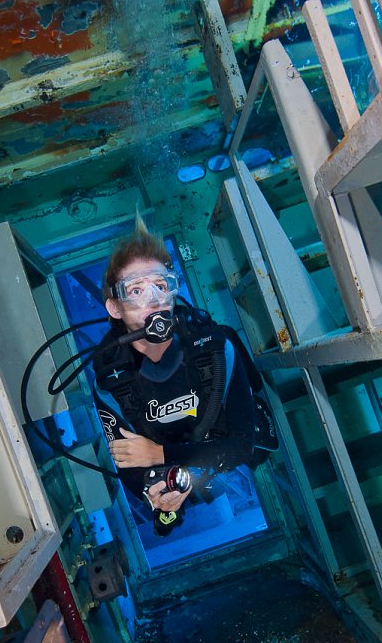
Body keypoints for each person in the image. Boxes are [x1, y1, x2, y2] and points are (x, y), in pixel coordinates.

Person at [92, 220, 274, 534]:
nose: (153, 299)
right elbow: (129, 463)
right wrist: (156, 498)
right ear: (115, 307)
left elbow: (242, 446)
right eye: (135, 290)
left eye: (161, 286)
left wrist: (158, 454)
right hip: (174, 468)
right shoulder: (111, 379)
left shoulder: (216, 348)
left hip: (219, 455)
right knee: (167, 520)